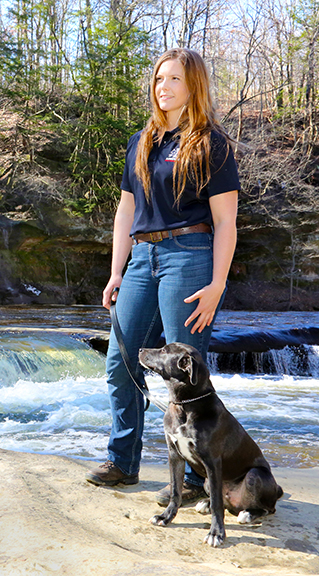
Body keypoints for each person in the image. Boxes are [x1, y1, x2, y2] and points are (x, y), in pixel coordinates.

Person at [85, 47, 240, 506]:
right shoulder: (143, 140)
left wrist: (217, 284)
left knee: (187, 371)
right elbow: (125, 211)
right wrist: (117, 271)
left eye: (174, 79)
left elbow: (227, 223)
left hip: (189, 257)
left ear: (194, 86)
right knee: (120, 362)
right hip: (141, 260)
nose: (163, 87)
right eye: (158, 79)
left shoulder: (212, 144)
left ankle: (195, 480)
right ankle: (123, 462)